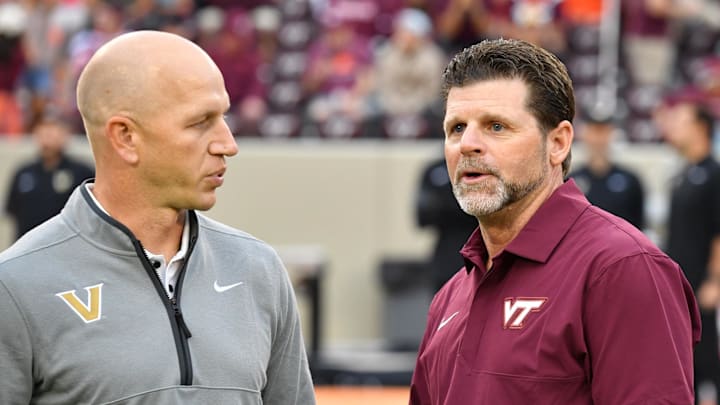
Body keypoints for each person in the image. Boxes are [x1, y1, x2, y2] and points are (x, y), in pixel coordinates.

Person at [0, 30, 315, 404]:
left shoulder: (258, 269)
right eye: (200, 122)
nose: (228, 143)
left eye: (224, 117)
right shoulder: (15, 286)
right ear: (126, 137)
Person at [409, 38, 700, 405]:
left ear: (558, 143)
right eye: (456, 128)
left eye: (496, 126)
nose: (468, 144)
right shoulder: (451, 295)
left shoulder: (622, 268)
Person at [654, 86, 720, 405]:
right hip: (679, 283)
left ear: (701, 127)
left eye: (681, 120)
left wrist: (714, 280)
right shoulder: (683, 175)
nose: (673, 126)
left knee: (705, 358)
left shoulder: (713, 174)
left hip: (702, 284)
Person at [4, 116, 94, 240]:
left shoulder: (82, 172)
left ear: (64, 136)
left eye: (52, 133)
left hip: (66, 246)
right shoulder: (23, 173)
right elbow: (12, 210)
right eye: (43, 133)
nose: (47, 139)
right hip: (27, 247)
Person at [568, 113, 646, 230]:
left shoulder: (630, 181)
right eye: (594, 131)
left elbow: (639, 225)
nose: (598, 139)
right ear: (585, 135)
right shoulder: (572, 181)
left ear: (611, 134)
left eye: (603, 131)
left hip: (622, 245)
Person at [415, 156, 477, 292]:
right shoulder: (436, 170)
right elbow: (422, 216)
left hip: (480, 258)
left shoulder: (488, 168)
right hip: (446, 259)